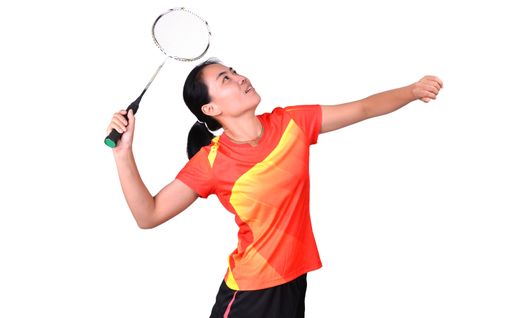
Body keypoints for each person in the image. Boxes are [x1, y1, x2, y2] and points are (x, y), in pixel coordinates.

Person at [107, 58, 443, 317]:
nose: (240, 78)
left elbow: (363, 108)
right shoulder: (210, 162)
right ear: (211, 109)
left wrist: (411, 91)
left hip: (294, 280)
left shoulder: (292, 123)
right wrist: (124, 154)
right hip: (251, 294)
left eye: (235, 72)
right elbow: (148, 215)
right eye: (226, 79)